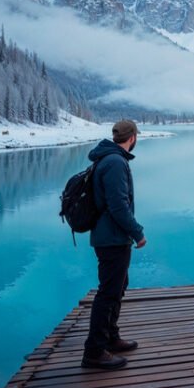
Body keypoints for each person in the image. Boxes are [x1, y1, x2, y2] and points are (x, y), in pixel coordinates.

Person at [81, 119, 147, 370]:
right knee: (108, 292)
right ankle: (95, 352)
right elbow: (118, 205)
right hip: (111, 238)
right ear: (132, 138)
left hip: (109, 236)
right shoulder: (116, 163)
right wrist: (137, 233)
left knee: (117, 286)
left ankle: (110, 337)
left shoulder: (109, 159)